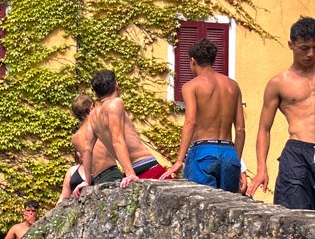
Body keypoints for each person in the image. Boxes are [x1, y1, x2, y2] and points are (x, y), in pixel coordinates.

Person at [160, 38, 245, 191]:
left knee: (200, 207)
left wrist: (180, 160)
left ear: (193, 61)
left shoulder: (191, 86)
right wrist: (236, 162)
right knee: (228, 209)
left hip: (203, 152)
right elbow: (240, 129)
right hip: (229, 152)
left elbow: (190, 122)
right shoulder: (233, 86)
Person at [249, 16, 315, 209]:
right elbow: (264, 128)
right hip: (297, 153)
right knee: (293, 217)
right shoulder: (279, 83)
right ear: (291, 45)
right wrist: (262, 168)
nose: (310, 54)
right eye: (304, 48)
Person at [76, 71, 169, 192]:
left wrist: (87, 181)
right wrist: (130, 173)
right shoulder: (116, 103)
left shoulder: (93, 115)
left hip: (130, 171)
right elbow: (117, 140)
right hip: (146, 167)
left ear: (96, 92)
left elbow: (87, 150)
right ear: (116, 86)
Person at [69, 93, 121, 192]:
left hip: (96, 180)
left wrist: (87, 181)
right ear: (92, 105)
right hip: (112, 174)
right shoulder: (99, 122)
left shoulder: (75, 138)